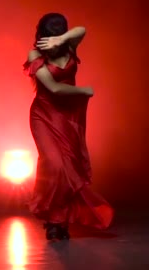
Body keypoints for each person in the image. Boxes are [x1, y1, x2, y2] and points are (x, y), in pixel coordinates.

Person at [23, 13, 114, 240]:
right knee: (54, 165)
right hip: (44, 115)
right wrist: (84, 91)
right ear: (42, 37)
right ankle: (53, 219)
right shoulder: (35, 54)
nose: (52, 44)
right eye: (49, 39)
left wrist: (61, 40)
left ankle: (58, 222)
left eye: (57, 38)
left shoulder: (69, 46)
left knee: (69, 168)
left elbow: (82, 29)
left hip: (68, 115)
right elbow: (54, 88)